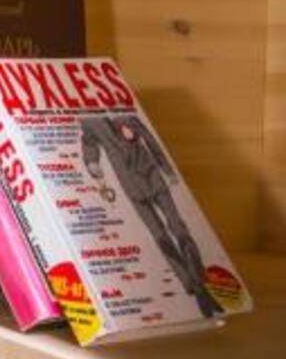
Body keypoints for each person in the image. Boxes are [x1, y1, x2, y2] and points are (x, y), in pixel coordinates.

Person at [80, 115, 222, 317]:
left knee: (178, 227)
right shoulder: (89, 121)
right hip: (130, 184)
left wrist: (166, 168)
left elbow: (149, 139)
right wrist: (92, 161)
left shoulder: (125, 114)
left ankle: (200, 281)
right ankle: (192, 286)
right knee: (159, 236)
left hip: (152, 176)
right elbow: (88, 140)